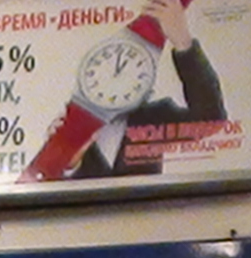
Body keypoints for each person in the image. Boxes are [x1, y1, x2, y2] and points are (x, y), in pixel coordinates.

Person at [71, 0, 226, 179]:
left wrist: (182, 41)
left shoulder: (153, 118)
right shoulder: (68, 123)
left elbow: (210, 120)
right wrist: (70, 165)